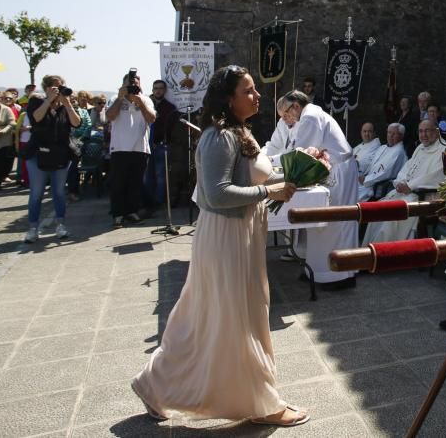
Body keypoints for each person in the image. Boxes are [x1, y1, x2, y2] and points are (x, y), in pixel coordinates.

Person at [131, 65, 307, 426]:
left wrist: (295, 173)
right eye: (248, 91)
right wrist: (268, 191)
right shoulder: (218, 137)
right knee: (231, 318)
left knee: (218, 316)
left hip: (241, 233)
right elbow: (217, 193)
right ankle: (260, 402)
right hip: (225, 237)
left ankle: (157, 383)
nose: (257, 96)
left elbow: (254, 176)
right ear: (229, 99)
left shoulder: (239, 132)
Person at [267, 90, 359, 291]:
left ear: (296, 106)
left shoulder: (310, 117)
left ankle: (340, 275)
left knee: (335, 223)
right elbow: (286, 148)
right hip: (328, 171)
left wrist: (271, 164)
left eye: (285, 114)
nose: (284, 120)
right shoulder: (301, 118)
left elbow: (301, 152)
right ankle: (318, 271)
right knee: (321, 225)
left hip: (338, 172)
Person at [362, 119, 446, 244]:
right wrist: (400, 182)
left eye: (427, 131)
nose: (423, 135)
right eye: (421, 131)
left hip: (422, 197)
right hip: (405, 192)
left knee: (390, 220)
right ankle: (368, 253)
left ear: (437, 132)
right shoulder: (420, 148)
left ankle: (388, 256)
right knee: (379, 212)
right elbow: (407, 167)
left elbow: (436, 176)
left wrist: (410, 186)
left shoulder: (444, 150)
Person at [23, 76, 81, 242]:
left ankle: (61, 225)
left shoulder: (65, 105)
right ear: (47, 88)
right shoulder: (36, 101)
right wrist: (48, 100)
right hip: (38, 153)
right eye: (55, 87)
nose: (59, 89)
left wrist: (68, 103)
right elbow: (36, 118)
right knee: (37, 192)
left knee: (59, 192)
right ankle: (33, 228)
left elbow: (76, 123)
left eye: (61, 86)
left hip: (60, 154)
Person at [106, 71, 156, 226]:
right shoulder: (115, 99)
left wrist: (140, 102)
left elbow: (151, 119)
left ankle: (132, 211)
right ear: (124, 85)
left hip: (140, 147)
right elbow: (110, 116)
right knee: (118, 183)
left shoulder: (146, 99)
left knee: (136, 182)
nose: (134, 85)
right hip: (119, 147)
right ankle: (118, 214)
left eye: (136, 82)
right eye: (130, 82)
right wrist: (121, 97)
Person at [143, 79, 179, 212]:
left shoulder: (170, 108)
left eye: (160, 88)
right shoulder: (145, 104)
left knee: (160, 176)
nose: (158, 91)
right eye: (155, 88)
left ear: (164, 90)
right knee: (147, 176)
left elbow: (171, 129)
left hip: (160, 146)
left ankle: (158, 203)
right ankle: (147, 202)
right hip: (145, 145)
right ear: (152, 90)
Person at [356, 122, 408, 202]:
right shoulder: (382, 147)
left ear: (401, 136)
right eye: (389, 132)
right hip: (366, 181)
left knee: (352, 198)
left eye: (394, 133)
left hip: (374, 186)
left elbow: (386, 173)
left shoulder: (399, 152)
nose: (390, 136)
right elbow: (371, 166)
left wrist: (366, 179)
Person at [65, 90, 93, 202]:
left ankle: (73, 191)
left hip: (78, 143)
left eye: (73, 98)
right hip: (64, 143)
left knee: (73, 168)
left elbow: (88, 125)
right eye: (69, 98)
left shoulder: (83, 112)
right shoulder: (63, 111)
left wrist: (81, 138)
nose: (72, 100)